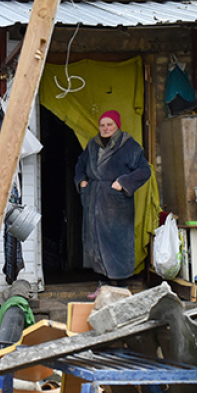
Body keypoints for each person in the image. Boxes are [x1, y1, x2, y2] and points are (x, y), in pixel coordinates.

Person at [74, 110, 151, 281]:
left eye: (110, 125)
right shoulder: (93, 145)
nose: (106, 128)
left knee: (117, 245)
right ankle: (103, 286)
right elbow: (80, 163)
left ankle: (121, 286)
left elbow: (145, 171)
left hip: (116, 205)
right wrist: (82, 182)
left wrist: (123, 182)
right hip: (94, 200)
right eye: (103, 125)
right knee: (95, 244)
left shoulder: (129, 146)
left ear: (117, 126)